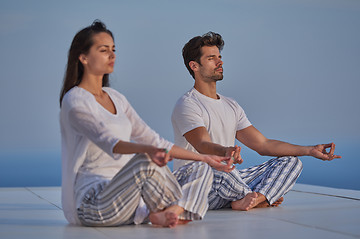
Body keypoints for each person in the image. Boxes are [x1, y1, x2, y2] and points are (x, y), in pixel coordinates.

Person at [59, 22, 234, 228]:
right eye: (103, 50)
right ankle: (171, 210)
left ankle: (168, 211)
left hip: (130, 201)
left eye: (113, 50)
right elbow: (109, 142)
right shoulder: (75, 100)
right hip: (93, 204)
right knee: (146, 160)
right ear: (83, 57)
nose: (112, 55)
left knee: (202, 167)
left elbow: (154, 139)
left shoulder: (116, 97)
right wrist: (150, 150)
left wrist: (206, 157)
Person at [171, 32, 341, 211]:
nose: (220, 62)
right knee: (220, 170)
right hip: (197, 186)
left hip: (229, 180)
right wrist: (225, 151)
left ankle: (252, 199)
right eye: (211, 58)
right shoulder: (188, 104)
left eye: (219, 57)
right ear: (194, 66)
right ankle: (256, 198)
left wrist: (309, 150)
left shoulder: (231, 105)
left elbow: (263, 144)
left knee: (291, 162)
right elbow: (202, 144)